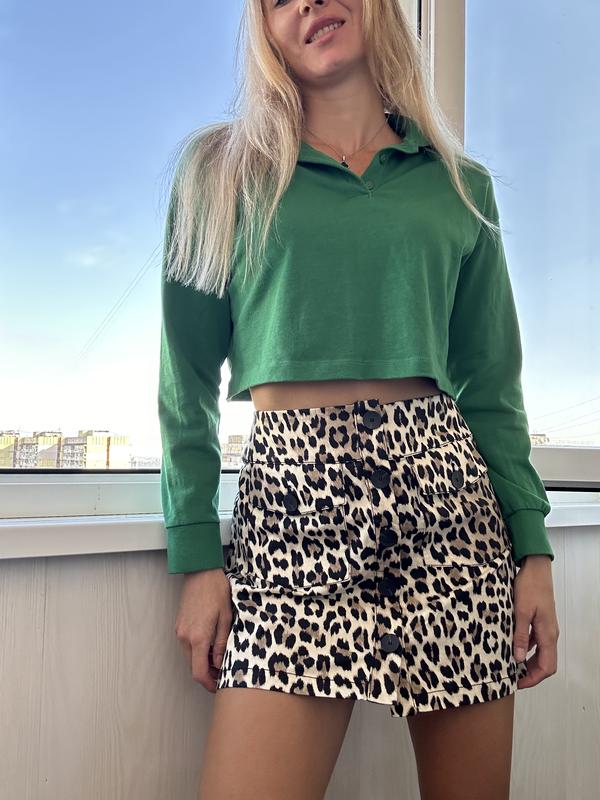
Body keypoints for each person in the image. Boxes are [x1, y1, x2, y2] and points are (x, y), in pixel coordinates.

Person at [157, 1, 560, 798]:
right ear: (265, 31)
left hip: (451, 517)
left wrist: (534, 552)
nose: (307, 2)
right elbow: (185, 380)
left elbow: (491, 388)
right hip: (294, 512)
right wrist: (198, 558)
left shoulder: (459, 185)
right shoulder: (219, 171)